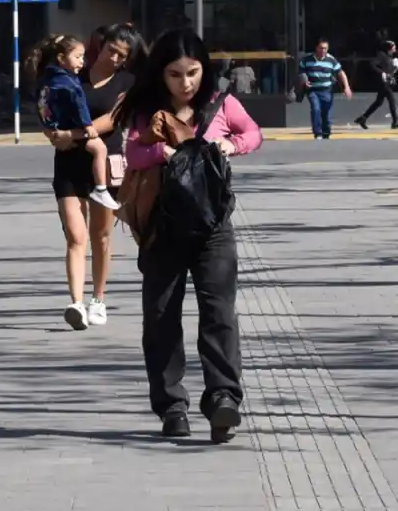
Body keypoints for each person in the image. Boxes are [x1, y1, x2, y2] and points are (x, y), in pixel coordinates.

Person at [113, 27, 263, 442]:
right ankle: (171, 406)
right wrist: (163, 150)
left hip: (213, 226)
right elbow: (133, 153)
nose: (185, 83)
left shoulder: (220, 105)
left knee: (219, 314)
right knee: (161, 319)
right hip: (163, 229)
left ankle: (223, 400)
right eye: (175, 74)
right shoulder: (148, 111)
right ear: (161, 74)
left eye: (193, 72)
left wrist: (232, 146)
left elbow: (254, 133)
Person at [45, 23, 144, 330]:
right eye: (111, 50)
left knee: (101, 236)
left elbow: (111, 120)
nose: (114, 58)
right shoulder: (72, 72)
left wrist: (68, 134)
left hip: (104, 165)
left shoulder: (128, 82)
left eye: (121, 56)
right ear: (101, 45)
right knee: (75, 236)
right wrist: (51, 133)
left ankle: (98, 299)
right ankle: (76, 303)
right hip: (67, 164)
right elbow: (49, 105)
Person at [31, 34, 120, 213]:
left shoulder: (47, 79)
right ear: (61, 59)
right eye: (78, 57)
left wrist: (50, 128)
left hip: (58, 127)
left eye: (83, 56)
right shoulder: (71, 83)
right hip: (73, 129)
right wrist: (88, 126)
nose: (82, 62)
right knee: (100, 149)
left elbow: (41, 106)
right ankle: (101, 188)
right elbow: (80, 107)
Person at [298, 38, 352, 139]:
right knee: (316, 108)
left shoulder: (331, 60)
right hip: (312, 90)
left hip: (326, 90)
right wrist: (304, 80)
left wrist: (347, 87)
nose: (323, 51)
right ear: (316, 48)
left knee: (326, 112)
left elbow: (341, 73)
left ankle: (326, 133)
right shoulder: (307, 59)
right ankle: (317, 133)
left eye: (325, 48)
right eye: (321, 48)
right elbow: (301, 71)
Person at [355, 40, 398, 130]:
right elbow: (373, 64)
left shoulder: (390, 56)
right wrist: (382, 73)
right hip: (382, 82)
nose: (394, 49)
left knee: (378, 102)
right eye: (393, 47)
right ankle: (395, 122)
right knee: (392, 100)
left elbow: (389, 70)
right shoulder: (382, 55)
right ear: (388, 48)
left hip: (387, 82)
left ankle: (363, 118)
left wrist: (395, 69)